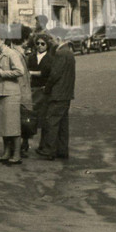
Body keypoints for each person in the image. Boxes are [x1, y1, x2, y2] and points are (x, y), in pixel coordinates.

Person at [0, 35, 31, 164]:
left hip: (11, 93)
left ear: (3, 40)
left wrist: (2, 73)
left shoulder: (11, 54)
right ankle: (6, 152)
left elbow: (20, 71)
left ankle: (16, 154)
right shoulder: (0, 54)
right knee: (4, 125)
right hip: (2, 93)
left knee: (13, 125)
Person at [38, 30, 75, 161]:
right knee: (63, 123)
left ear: (59, 39)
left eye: (53, 40)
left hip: (58, 93)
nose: (51, 42)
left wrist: (47, 88)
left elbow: (55, 74)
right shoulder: (69, 53)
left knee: (51, 121)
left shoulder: (60, 53)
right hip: (66, 93)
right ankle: (62, 150)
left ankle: (49, 150)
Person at [25, 33, 54, 156]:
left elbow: (48, 73)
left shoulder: (50, 58)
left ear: (47, 45)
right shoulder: (31, 57)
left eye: (43, 44)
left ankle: (43, 145)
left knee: (44, 119)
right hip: (32, 90)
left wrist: (33, 73)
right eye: (37, 43)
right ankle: (24, 143)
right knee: (28, 118)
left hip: (43, 91)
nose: (40, 46)